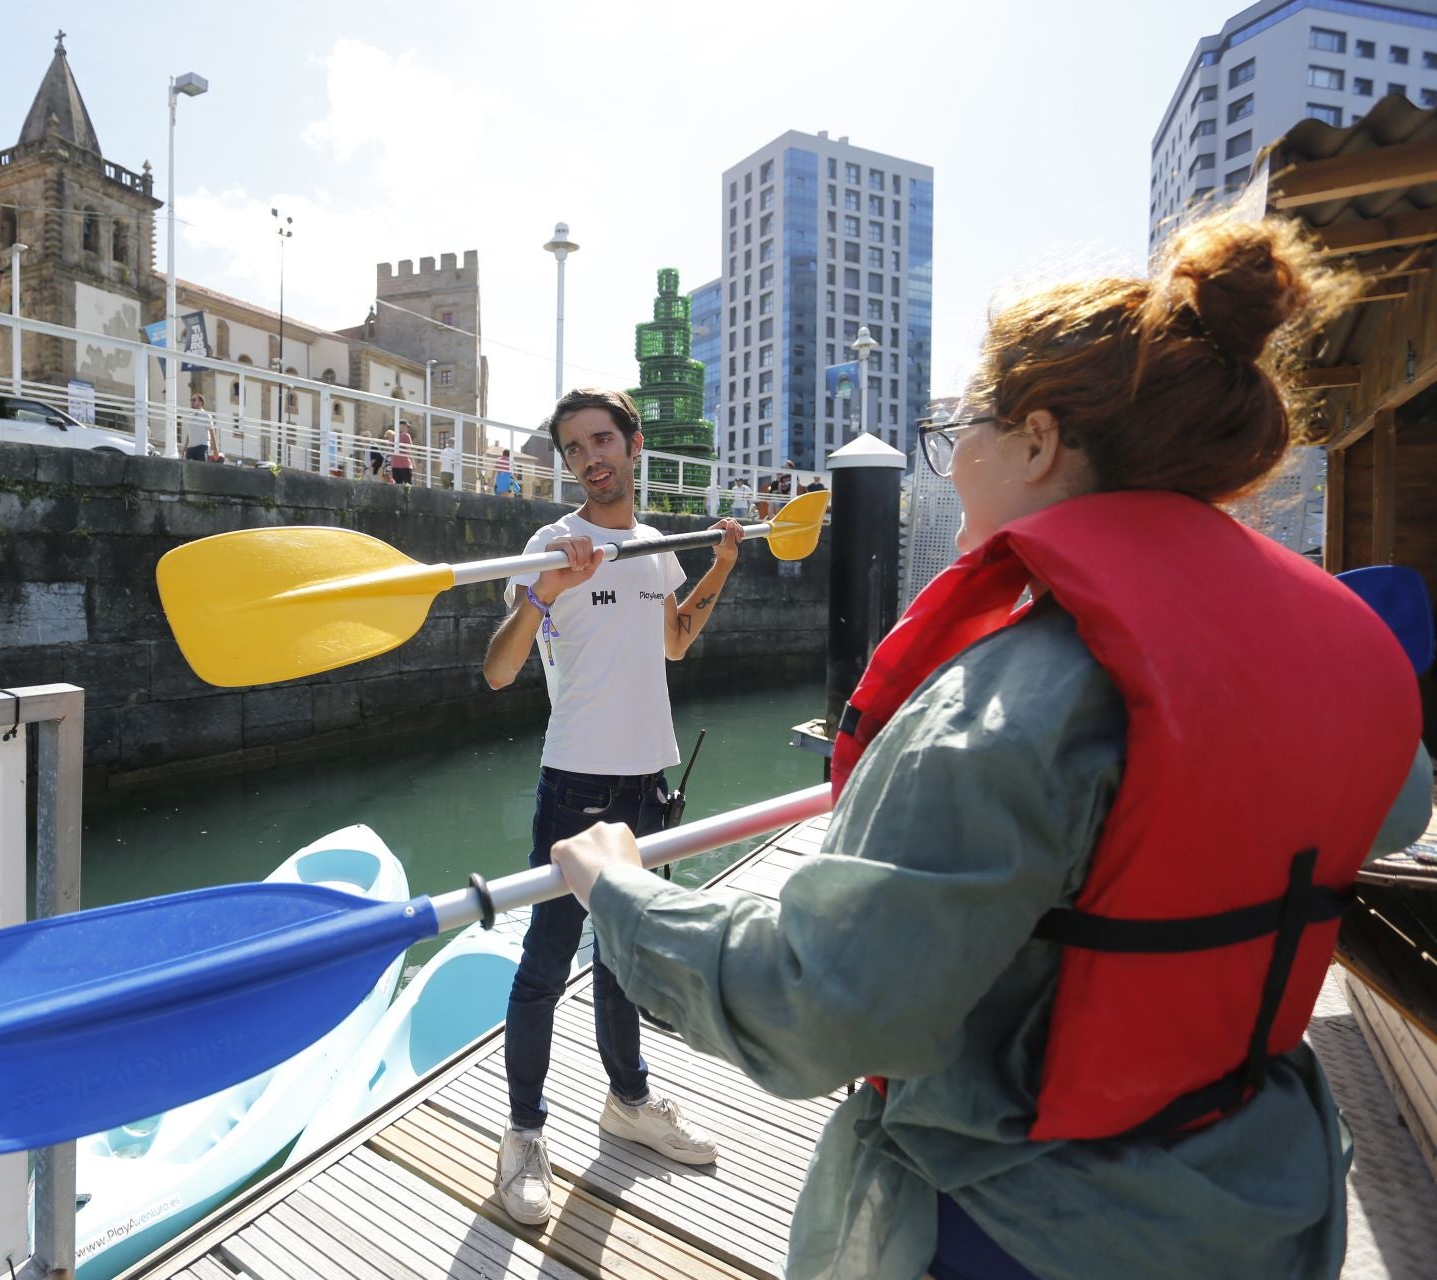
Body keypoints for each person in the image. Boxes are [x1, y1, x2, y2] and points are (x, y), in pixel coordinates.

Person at [545, 213, 1434, 1280]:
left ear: (1040, 440)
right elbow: (1396, 806)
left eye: (966, 420)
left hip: (1020, 1223)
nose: (953, 454)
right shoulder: (1334, 655)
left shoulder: (1015, 699)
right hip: (1261, 1199)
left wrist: (626, 898)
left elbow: (828, 1002)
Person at [481, 387, 747, 1227]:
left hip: (646, 787)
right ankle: (523, 1134)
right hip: (575, 787)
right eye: (573, 448)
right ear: (566, 463)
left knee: (625, 959)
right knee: (544, 969)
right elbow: (495, 671)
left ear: (632, 445)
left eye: (602, 440)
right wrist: (540, 593)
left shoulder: (654, 543)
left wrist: (720, 568)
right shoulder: (550, 543)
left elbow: (672, 640)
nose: (591, 457)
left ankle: (627, 1103)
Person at [183, 393, 219, 462]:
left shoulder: (206, 415)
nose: (191, 402)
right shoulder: (190, 415)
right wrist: (185, 448)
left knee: (201, 470)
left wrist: (215, 450)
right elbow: (189, 433)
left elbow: (212, 432)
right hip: (190, 448)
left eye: (194, 400)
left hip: (202, 447)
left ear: (200, 402)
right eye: (191, 400)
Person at [388, 421, 415, 485]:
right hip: (405, 465)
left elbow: (390, 450)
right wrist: (413, 463)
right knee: (408, 485)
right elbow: (408, 450)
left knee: (397, 485)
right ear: (402, 427)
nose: (407, 428)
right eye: (406, 427)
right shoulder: (406, 435)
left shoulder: (392, 436)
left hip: (395, 465)